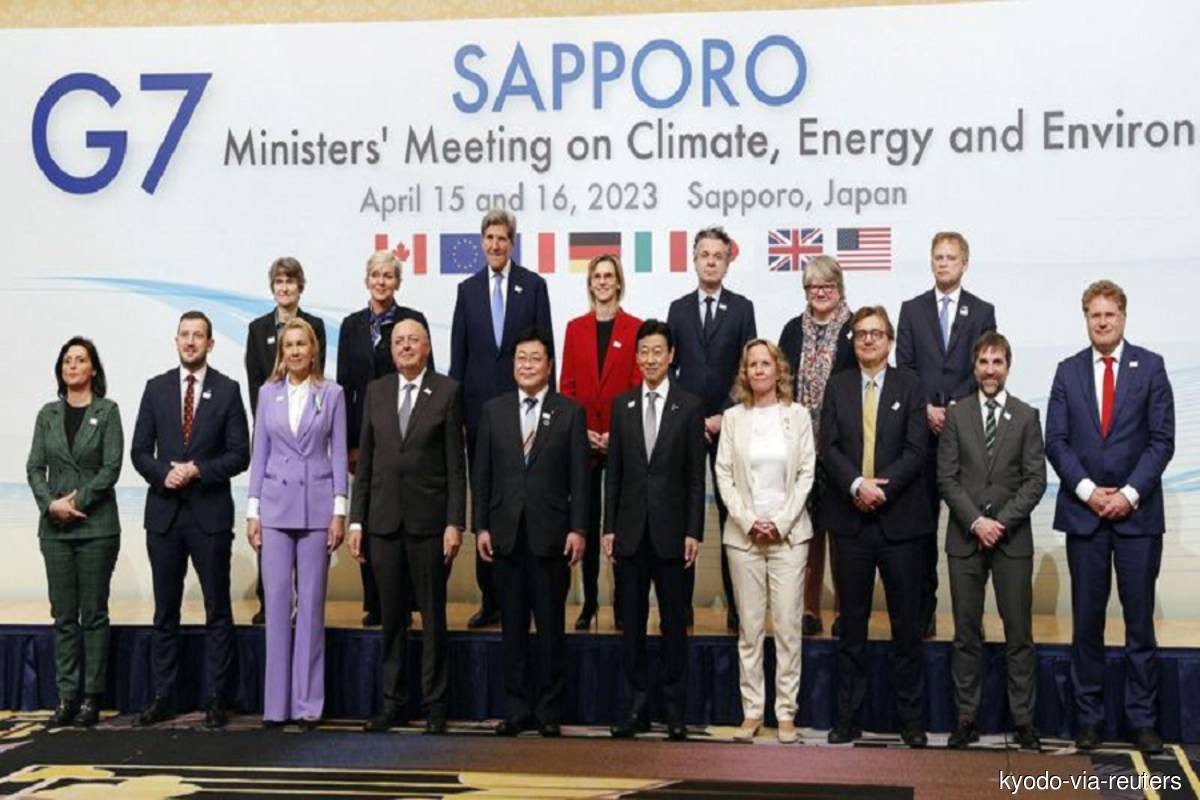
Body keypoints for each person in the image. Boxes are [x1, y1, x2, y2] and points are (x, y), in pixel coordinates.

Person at [1045, 280, 1175, 754]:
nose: (1102, 322)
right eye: (1094, 315)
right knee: (1087, 625)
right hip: (1085, 517)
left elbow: (1162, 440)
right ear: (1086, 319)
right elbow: (1056, 441)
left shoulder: (1152, 367)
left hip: (1137, 519)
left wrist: (1129, 494)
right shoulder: (1067, 371)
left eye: (1110, 314)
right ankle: (1089, 720)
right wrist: (1087, 492)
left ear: (1123, 317)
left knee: (1139, 624)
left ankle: (1143, 722)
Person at [131, 311, 250, 728]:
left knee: (218, 610)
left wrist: (197, 468)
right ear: (176, 340)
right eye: (185, 335)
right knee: (166, 611)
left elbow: (240, 454)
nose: (191, 341)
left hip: (209, 515)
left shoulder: (229, 390)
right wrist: (165, 472)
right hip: (164, 515)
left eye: (199, 335)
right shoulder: (156, 388)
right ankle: (165, 696)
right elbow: (140, 451)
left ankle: (217, 697)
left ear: (211, 344)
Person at [349, 319, 466, 735]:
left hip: (429, 524)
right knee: (392, 618)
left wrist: (456, 523)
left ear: (428, 346)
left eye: (413, 340)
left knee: (433, 618)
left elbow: (456, 465)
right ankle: (393, 702)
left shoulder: (448, 391)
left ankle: (435, 705)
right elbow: (364, 464)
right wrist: (357, 520)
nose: (405, 346)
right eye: (398, 341)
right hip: (382, 522)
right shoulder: (377, 392)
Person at [820, 306, 929, 747]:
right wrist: (856, 484)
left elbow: (916, 448)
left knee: (907, 628)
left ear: (890, 340)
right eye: (861, 334)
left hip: (900, 522)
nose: (868, 340)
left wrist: (882, 489)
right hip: (850, 523)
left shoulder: (911, 384)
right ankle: (848, 717)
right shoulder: (839, 385)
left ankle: (911, 720)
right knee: (852, 627)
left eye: (876, 333)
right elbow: (827, 446)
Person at [472, 327, 586, 737]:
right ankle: (518, 708)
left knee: (551, 629)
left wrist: (579, 529)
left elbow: (580, 478)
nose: (527, 365)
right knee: (513, 629)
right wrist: (480, 525)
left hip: (552, 535)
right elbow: (481, 475)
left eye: (535, 358)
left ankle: (550, 711)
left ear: (549, 365)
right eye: (521, 358)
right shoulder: (494, 410)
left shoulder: (569, 412)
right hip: (505, 535)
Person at [938, 332, 1046, 750]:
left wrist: (998, 522)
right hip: (965, 540)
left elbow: (1035, 480)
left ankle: (1024, 722)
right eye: (983, 361)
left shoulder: (1026, 416)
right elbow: (946, 478)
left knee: (1019, 635)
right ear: (974, 366)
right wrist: (976, 522)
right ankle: (966, 719)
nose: (989, 369)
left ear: (1008, 366)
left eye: (996, 362)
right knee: (967, 634)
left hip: (1011, 540)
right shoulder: (956, 415)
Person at [451, 209, 554, 629]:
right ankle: (490, 597)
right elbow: (459, 355)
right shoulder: (468, 289)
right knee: (488, 501)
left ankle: (527, 597)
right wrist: (455, 414)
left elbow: (546, 349)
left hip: (525, 409)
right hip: (478, 415)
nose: (496, 245)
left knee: (526, 497)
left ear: (513, 243)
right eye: (489, 238)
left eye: (503, 239)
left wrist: (550, 408)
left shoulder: (533, 285)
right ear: (482, 241)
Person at [604, 320, 705, 742]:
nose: (649, 358)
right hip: (629, 532)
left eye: (657, 351)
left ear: (671, 355)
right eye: (643, 351)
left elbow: (696, 478)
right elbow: (616, 474)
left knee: (674, 626)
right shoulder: (622, 405)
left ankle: (674, 713)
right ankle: (636, 709)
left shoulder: (689, 405)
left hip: (672, 534)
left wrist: (693, 531)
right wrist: (608, 528)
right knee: (631, 627)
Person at [245, 318, 347, 729]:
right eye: (289, 345)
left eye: (302, 344)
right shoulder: (267, 393)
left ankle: (307, 705)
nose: (295, 351)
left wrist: (340, 510)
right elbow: (259, 454)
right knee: (277, 606)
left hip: (317, 509)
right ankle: (276, 706)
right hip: (274, 508)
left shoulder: (333, 393)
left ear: (314, 348)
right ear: (280, 351)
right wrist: (252, 511)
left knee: (310, 608)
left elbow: (339, 453)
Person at [896, 232, 997, 638]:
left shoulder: (982, 310)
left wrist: (954, 409)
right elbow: (904, 367)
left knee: (967, 526)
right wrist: (925, 410)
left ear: (964, 263)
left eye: (951, 257)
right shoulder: (912, 309)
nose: (943, 263)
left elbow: (987, 366)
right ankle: (923, 615)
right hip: (920, 435)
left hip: (964, 434)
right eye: (937, 257)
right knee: (920, 530)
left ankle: (968, 623)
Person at [715, 339, 816, 744]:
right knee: (750, 630)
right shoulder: (733, 418)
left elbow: (807, 472)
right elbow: (723, 475)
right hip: (744, 539)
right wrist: (748, 520)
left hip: (789, 537)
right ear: (745, 372)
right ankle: (752, 711)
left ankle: (786, 713)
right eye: (752, 364)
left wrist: (780, 521)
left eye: (765, 363)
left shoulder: (798, 416)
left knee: (789, 628)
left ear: (778, 370)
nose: (759, 370)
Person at [26, 337, 123, 728]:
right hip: (55, 530)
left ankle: (90, 698)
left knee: (93, 615)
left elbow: (111, 468)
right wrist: (52, 504)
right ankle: (67, 696)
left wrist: (76, 502)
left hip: (96, 528)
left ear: (93, 369)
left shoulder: (108, 411)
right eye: (67, 360)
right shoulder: (47, 414)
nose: (73, 366)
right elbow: (34, 468)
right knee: (63, 616)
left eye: (80, 360)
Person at [666, 226, 756, 630]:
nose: (711, 261)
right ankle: (679, 605)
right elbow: (671, 368)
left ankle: (738, 607)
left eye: (718, 255)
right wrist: (692, 417)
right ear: (695, 259)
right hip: (686, 425)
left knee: (731, 517)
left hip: (730, 423)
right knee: (682, 514)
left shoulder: (742, 307)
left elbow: (749, 368)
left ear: (728, 260)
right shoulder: (678, 308)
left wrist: (724, 414)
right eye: (704, 254)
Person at [337, 250, 433, 627]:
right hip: (366, 434)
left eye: (389, 276)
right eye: (376, 275)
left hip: (407, 432)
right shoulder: (350, 325)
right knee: (373, 518)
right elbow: (345, 386)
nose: (381, 282)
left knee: (405, 515)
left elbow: (431, 378)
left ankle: (407, 600)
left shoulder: (413, 323)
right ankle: (374, 601)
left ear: (398, 282)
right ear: (367, 280)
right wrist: (348, 442)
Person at [559, 254, 642, 630]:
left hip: (623, 442)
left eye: (610, 276)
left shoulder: (636, 328)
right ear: (590, 283)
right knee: (587, 525)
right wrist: (582, 433)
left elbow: (640, 389)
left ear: (619, 282)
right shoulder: (574, 328)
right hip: (584, 443)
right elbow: (567, 388)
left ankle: (623, 605)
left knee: (622, 526)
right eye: (597, 276)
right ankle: (589, 602)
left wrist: (616, 433)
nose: (604, 282)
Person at [244, 256, 327, 625]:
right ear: (272, 288)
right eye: (279, 282)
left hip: (306, 439)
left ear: (300, 287)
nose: (285, 288)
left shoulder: (316, 326)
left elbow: (319, 376)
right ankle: (271, 601)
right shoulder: (256, 328)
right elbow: (254, 386)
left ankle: (303, 606)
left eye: (291, 282)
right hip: (274, 437)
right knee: (271, 523)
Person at [778, 254, 856, 637]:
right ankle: (809, 609)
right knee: (807, 531)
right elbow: (779, 383)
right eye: (814, 286)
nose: (821, 292)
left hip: (843, 445)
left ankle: (844, 611)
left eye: (828, 285)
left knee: (842, 531)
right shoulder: (793, 330)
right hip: (799, 445)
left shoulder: (857, 329)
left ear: (839, 288)